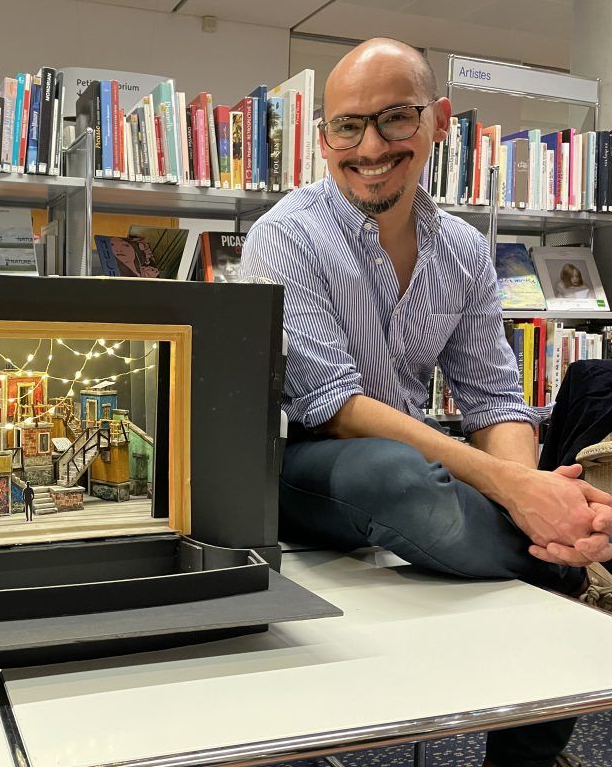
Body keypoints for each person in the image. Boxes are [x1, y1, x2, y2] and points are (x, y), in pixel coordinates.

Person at [240, 38, 612, 767]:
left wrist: (533, 491)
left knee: (442, 486)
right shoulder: (286, 236)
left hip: (402, 461)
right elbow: (335, 403)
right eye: (348, 126)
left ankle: (556, 571)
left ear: (438, 121)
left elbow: (495, 398)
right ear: (323, 139)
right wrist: (510, 486)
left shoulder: (465, 253)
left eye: (395, 118)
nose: (370, 146)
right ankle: (569, 563)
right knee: (394, 475)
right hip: (296, 466)